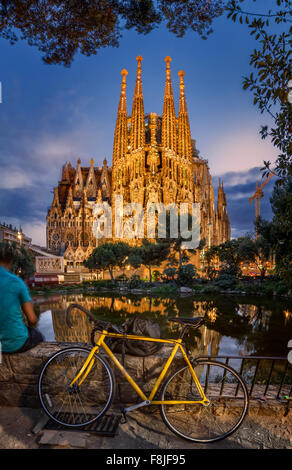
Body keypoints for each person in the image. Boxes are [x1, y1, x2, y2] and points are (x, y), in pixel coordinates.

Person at [0, 243, 43, 353]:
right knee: (38, 337)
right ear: (11, 262)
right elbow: (32, 319)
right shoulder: (16, 281)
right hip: (14, 342)